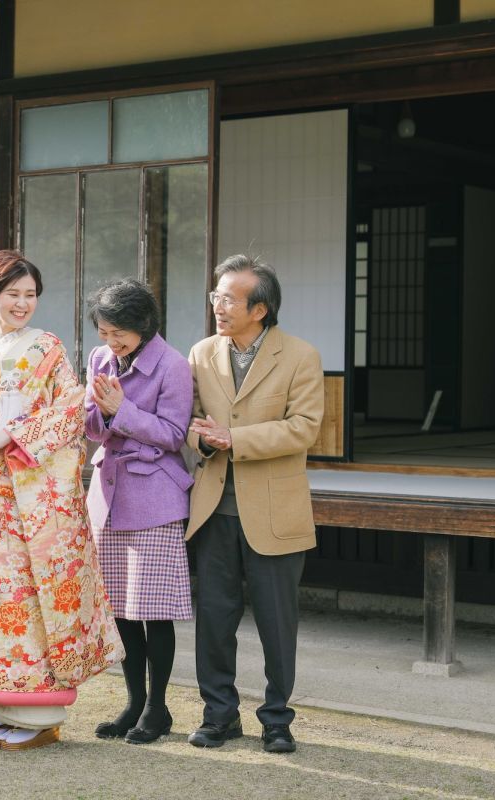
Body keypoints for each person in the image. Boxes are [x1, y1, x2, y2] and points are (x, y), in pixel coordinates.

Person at [0, 250, 122, 752]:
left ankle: (37, 713)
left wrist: (10, 436)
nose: (22, 304)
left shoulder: (48, 349)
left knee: (29, 606)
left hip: (30, 503)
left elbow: (69, 412)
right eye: (12, 294)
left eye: (30, 295)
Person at [185, 254, 323, 754]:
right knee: (215, 621)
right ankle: (218, 715)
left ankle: (277, 719)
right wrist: (202, 440)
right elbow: (191, 422)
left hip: (276, 510)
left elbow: (305, 427)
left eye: (228, 299)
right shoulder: (201, 353)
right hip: (215, 507)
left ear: (259, 309)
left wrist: (233, 437)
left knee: (276, 622)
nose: (218, 306)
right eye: (215, 297)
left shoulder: (301, 355)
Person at [83, 279, 194, 745]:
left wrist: (121, 409)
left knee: (155, 609)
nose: (111, 342)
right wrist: (104, 413)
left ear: (144, 325)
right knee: (122, 610)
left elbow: (173, 434)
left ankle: (158, 707)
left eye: (119, 333)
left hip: (156, 498)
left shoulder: (174, 366)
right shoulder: (99, 359)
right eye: (105, 333)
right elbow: (89, 426)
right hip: (108, 495)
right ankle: (132, 702)